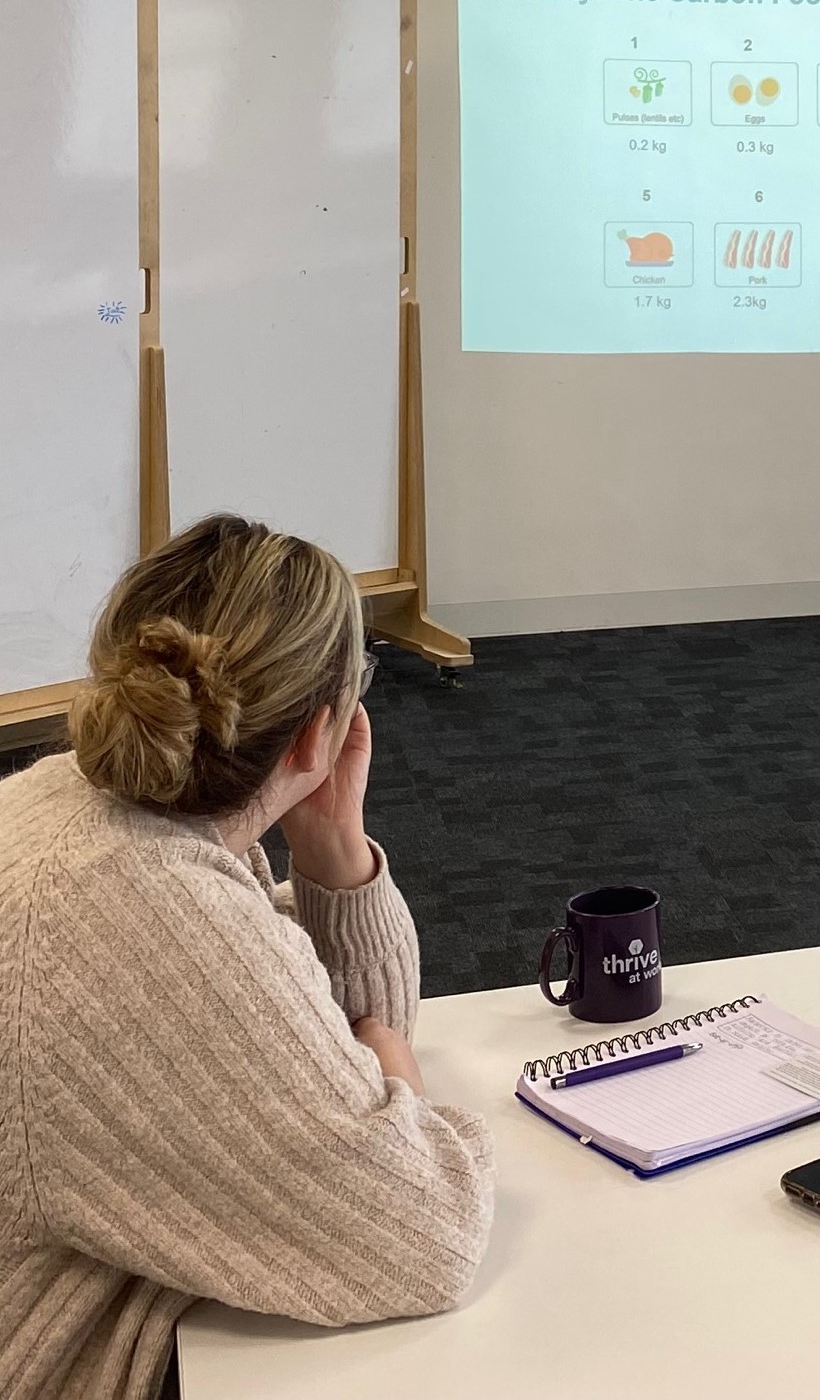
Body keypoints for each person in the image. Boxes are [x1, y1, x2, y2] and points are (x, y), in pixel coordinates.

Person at [0, 515, 495, 1400]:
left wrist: (333, 847)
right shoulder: (154, 915)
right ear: (317, 733)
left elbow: (328, 1026)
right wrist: (402, 1085)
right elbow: (429, 1231)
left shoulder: (71, 805)